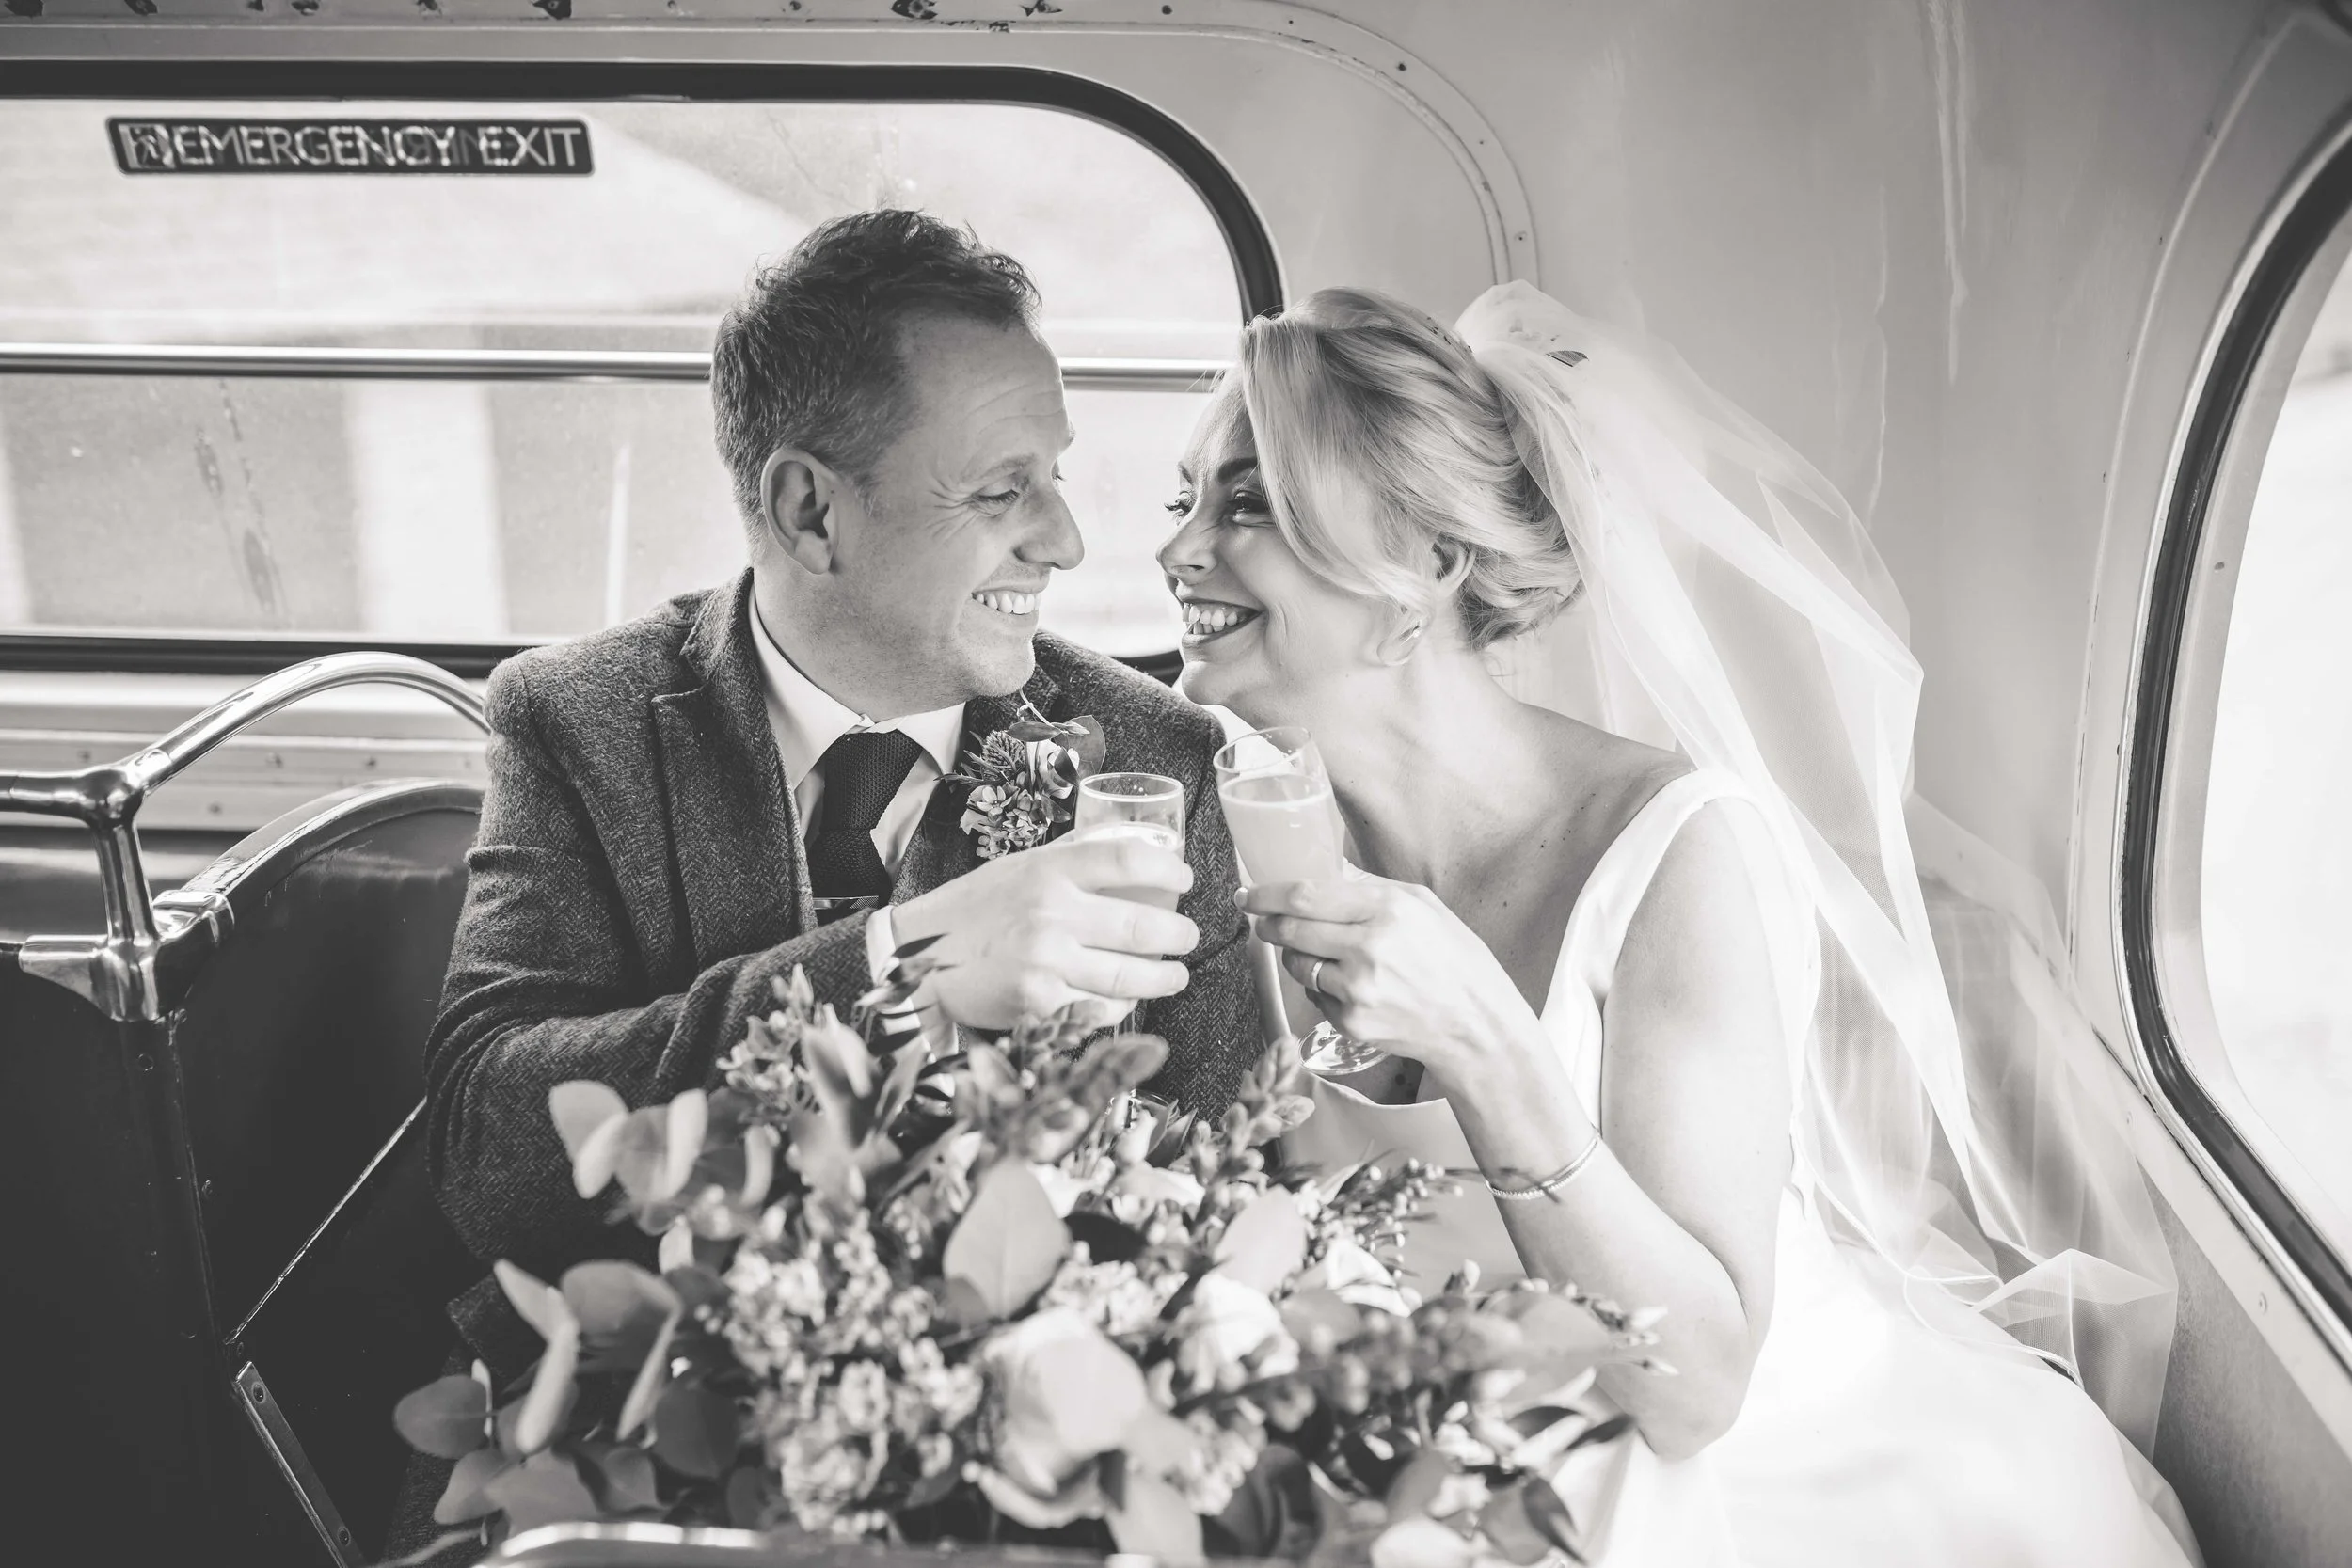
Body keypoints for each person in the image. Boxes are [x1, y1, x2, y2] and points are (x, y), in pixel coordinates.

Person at [1160, 282, 2201, 1565]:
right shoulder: (1223, 820)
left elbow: (1695, 1387)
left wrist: (1486, 1042)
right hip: (1418, 1448)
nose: (1177, 551)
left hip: (1735, 1471)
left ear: (1424, 565)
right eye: (1182, 502)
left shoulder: (1678, 851)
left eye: (1247, 502)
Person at [420, 211, 1262, 1384]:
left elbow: (1221, 1193)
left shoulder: (1154, 755)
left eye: (1054, 476)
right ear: (811, 511)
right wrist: (894, 969)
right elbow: (488, 1156)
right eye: (1000, 491)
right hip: (642, 1389)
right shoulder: (576, 719)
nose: (1065, 541)